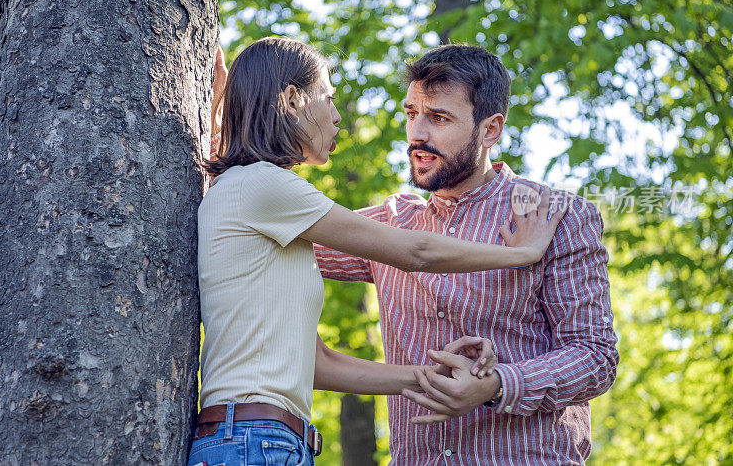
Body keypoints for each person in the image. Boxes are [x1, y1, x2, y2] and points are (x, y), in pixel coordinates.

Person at [189, 37, 567, 466]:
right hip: (253, 440)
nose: (336, 117)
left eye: (438, 117)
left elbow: (321, 364)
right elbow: (417, 250)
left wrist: (433, 377)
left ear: (490, 129)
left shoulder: (254, 198)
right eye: (327, 99)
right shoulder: (263, 186)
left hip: (265, 439)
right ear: (293, 100)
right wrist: (522, 252)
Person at [313, 44, 620, 464]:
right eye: (411, 114)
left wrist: (497, 385)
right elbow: (281, 235)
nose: (417, 134)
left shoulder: (556, 216)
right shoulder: (389, 224)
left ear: (490, 130)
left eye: (438, 117)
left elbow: (595, 357)